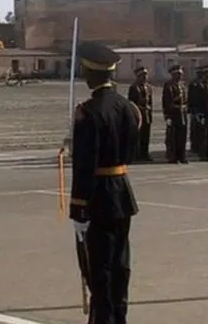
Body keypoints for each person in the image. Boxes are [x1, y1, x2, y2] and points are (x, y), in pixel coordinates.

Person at [69, 41, 140, 324]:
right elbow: (131, 152)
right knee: (120, 267)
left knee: (99, 271)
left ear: (91, 72)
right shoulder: (128, 107)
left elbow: (85, 165)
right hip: (122, 192)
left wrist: (78, 207)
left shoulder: (88, 112)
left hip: (97, 198)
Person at [161, 65, 189, 164]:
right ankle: (173, 157)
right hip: (174, 114)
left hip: (182, 114)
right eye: (178, 74)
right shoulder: (169, 86)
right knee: (173, 137)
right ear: (173, 75)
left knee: (182, 136)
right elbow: (166, 102)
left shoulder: (182, 86)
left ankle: (182, 156)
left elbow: (185, 100)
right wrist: (167, 116)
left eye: (181, 74)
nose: (180, 76)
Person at [127, 66, 153, 161]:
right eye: (142, 75)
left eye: (146, 75)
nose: (145, 77)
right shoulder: (133, 87)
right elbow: (131, 103)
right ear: (138, 76)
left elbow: (150, 102)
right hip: (138, 114)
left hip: (147, 114)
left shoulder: (149, 88)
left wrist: (150, 113)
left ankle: (145, 154)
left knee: (146, 135)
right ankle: (137, 155)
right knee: (138, 136)